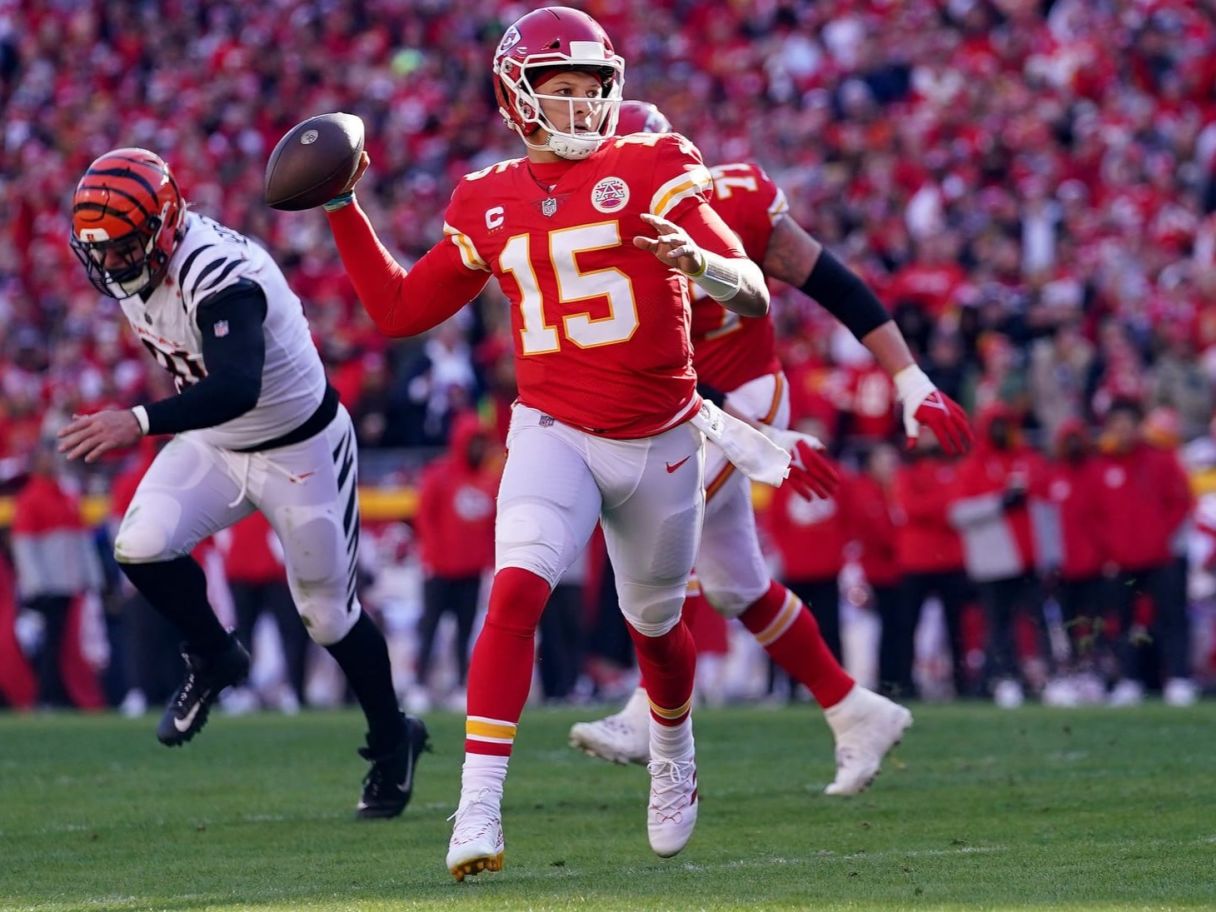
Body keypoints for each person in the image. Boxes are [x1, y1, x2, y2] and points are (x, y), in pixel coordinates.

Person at [317, 6, 815, 878]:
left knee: (655, 627)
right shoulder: (488, 197)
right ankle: (476, 808)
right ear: (518, 96)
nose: (583, 108)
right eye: (564, 91)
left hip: (660, 437)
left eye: (594, 91)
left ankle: (673, 754)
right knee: (515, 592)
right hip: (553, 428)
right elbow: (398, 310)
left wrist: (699, 265)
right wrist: (342, 207)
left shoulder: (655, 164)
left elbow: (753, 296)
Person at [569, 100, 973, 794]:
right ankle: (856, 710)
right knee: (735, 586)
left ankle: (647, 709)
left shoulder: (739, 200)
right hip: (686, 405)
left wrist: (909, 379)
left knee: (662, 533)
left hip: (749, 392)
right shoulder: (596, 234)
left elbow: (835, 284)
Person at [60, 148, 428, 818]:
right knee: (139, 545)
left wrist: (137, 420)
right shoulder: (151, 263)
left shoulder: (220, 272)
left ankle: (393, 738)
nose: (110, 263)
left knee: (328, 616)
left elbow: (236, 385)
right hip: (218, 444)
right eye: (102, 250)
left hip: (300, 449)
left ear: (164, 227)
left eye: (121, 247)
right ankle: (213, 655)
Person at [413, 411, 498, 709]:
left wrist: (488, 560)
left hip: (471, 571)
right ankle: (419, 684)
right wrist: (431, 557)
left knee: (465, 633)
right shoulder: (438, 475)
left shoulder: (490, 481)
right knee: (430, 628)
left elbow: (492, 527)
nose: (478, 449)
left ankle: (462, 685)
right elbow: (424, 519)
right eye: (473, 442)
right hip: (439, 570)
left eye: (481, 443)